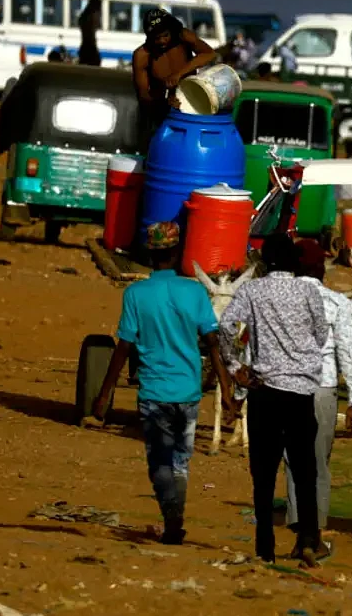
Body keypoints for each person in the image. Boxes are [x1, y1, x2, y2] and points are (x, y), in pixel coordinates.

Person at [92, 222, 231, 546]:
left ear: (149, 255)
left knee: (159, 461)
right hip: (188, 393)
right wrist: (224, 387)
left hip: (153, 393)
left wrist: (105, 393)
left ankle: (172, 517)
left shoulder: (136, 295)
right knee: (180, 460)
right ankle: (175, 517)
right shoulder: (194, 291)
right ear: (177, 252)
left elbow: (123, 347)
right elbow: (212, 342)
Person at [219, 235, 329, 567]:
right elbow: (321, 334)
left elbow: (229, 326)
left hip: (264, 389)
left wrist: (237, 365)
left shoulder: (252, 291)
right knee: (305, 469)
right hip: (300, 392)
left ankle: (264, 545)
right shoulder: (309, 291)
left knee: (263, 473)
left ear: (265, 261)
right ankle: (308, 539)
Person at [285, 239, 352, 543]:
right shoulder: (337, 303)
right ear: (321, 269)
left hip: (288, 386)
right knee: (318, 461)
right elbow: (348, 353)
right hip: (323, 388)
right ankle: (314, 528)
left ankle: (297, 524)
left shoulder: (281, 299)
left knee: (292, 458)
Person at [132, 9, 217, 125]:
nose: (162, 41)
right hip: (160, 113)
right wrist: (164, 103)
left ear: (171, 30)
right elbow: (143, 95)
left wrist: (179, 74)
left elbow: (209, 54)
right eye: (157, 38)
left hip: (193, 104)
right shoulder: (141, 55)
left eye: (165, 35)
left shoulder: (184, 37)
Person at [77, 0, 102, 67]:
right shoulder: (91, 17)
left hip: (85, 47)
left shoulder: (84, 17)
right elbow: (90, 34)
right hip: (89, 48)